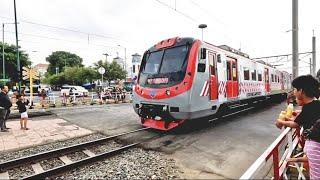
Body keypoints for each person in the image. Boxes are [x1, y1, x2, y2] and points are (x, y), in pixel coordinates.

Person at [275, 75, 320, 179]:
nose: (293, 91)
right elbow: (302, 119)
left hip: (314, 146)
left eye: (295, 89)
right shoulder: (317, 104)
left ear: (301, 91)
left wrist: (281, 121)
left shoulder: (307, 107)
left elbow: (295, 124)